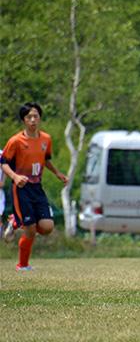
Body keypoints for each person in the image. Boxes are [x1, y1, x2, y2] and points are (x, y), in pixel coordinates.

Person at [0, 103, 69, 271]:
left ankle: (15, 221)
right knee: (30, 230)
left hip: (37, 188)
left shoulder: (46, 139)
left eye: (35, 116)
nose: (33, 120)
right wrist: (15, 177)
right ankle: (22, 265)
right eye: (29, 117)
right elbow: (3, 163)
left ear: (40, 118)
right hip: (21, 189)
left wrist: (57, 173)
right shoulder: (15, 141)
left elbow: (45, 159)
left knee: (47, 227)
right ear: (24, 120)